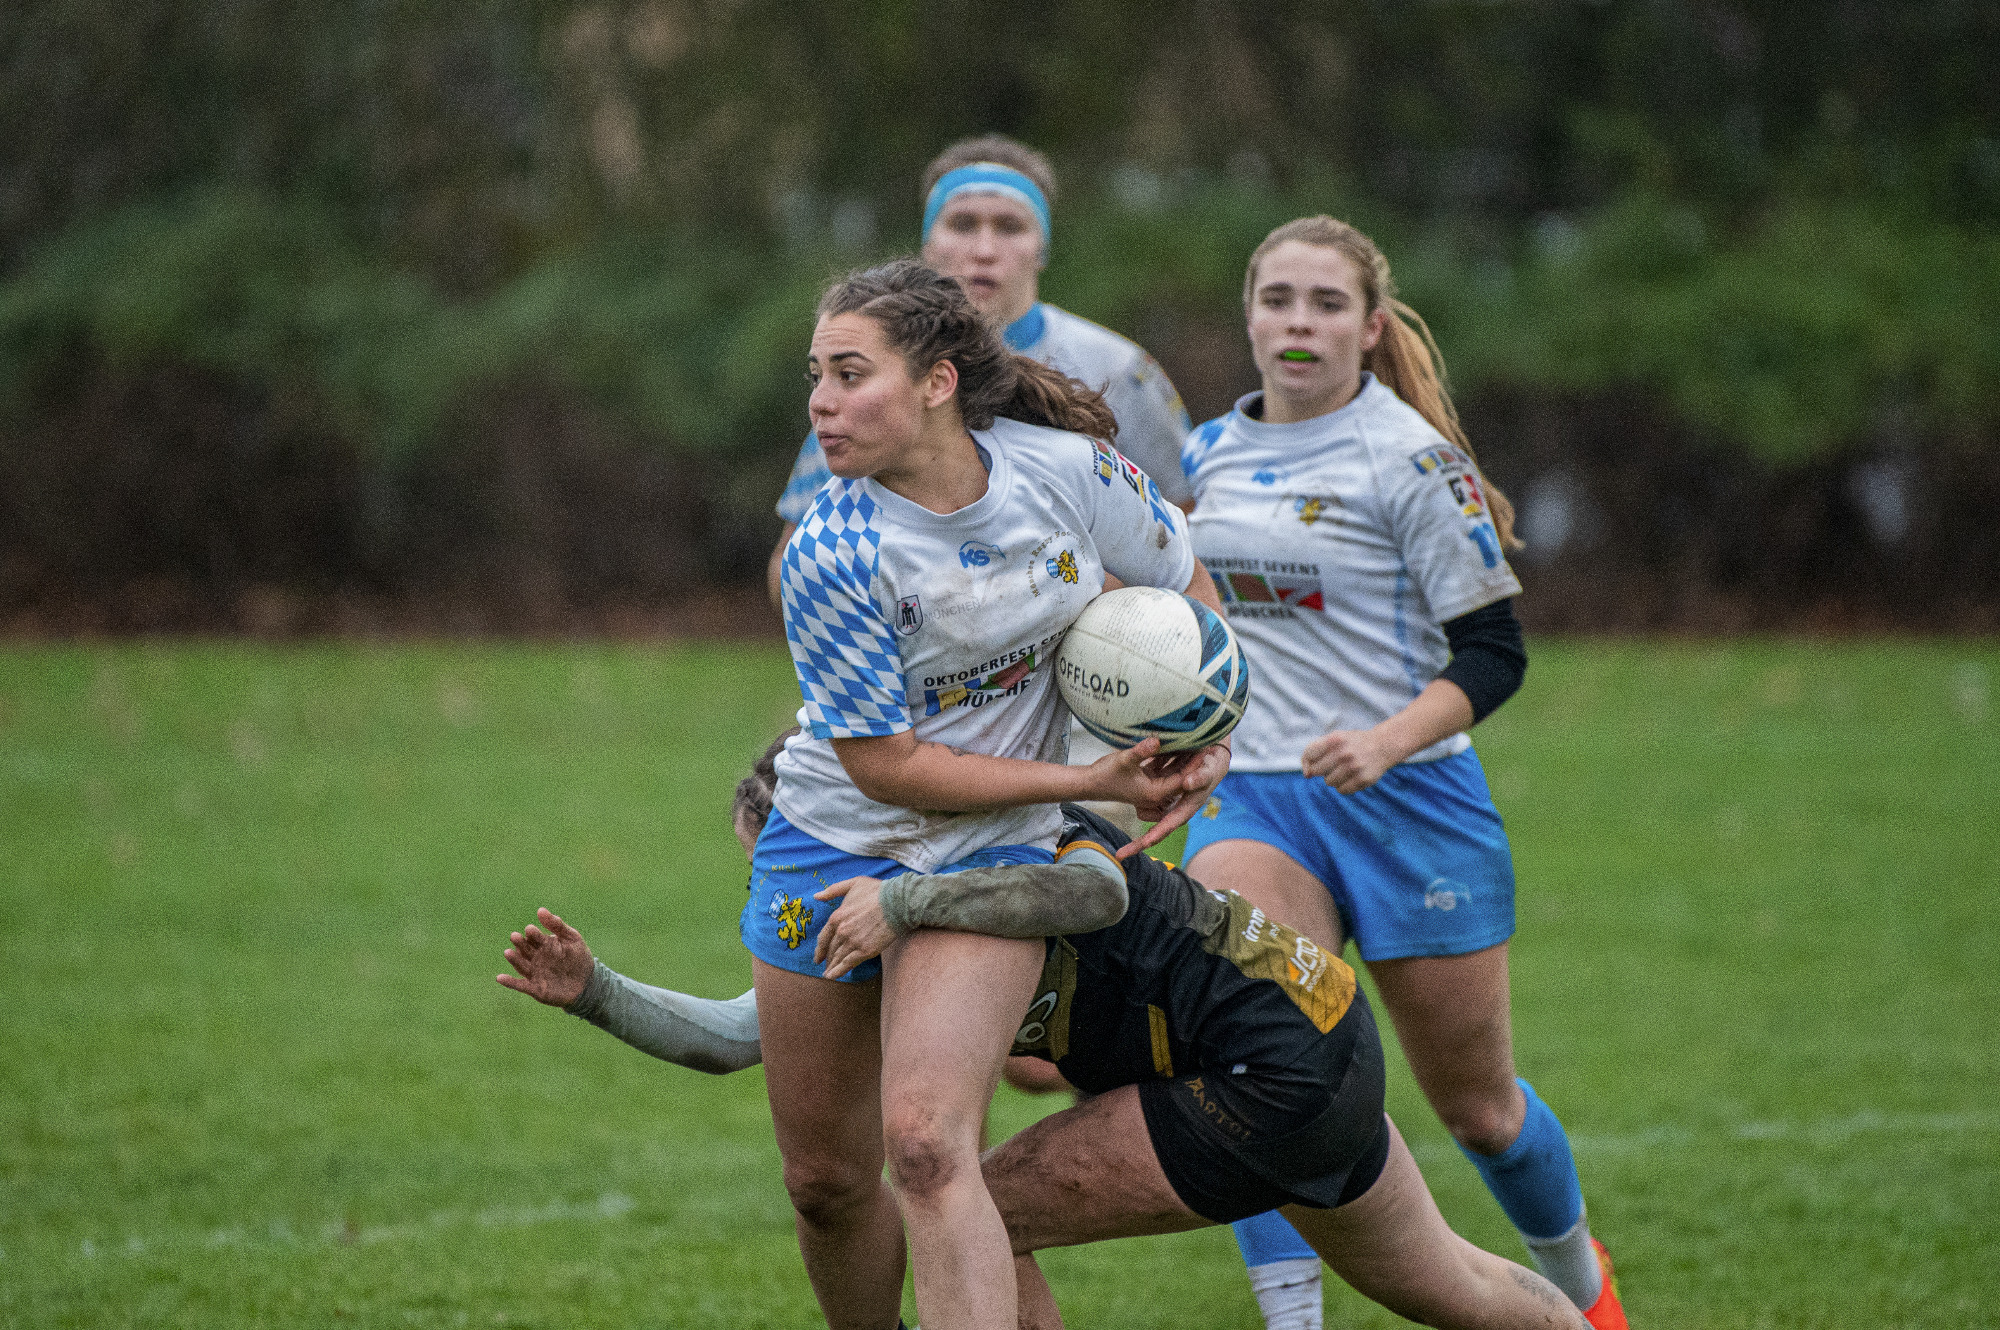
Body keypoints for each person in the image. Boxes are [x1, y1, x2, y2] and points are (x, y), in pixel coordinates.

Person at [500, 797, 1591, 1330]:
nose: (791, 906)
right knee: (1458, 1285)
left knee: (975, 1211)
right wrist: (597, 992)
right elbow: (744, 1035)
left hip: (1268, 1068)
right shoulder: (866, 917)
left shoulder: (996, 848)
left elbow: (1098, 885)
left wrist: (907, 904)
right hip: (1322, 1027)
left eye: (787, 865)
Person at [748, 256, 1229, 1330]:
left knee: (926, 1143)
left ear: (937, 382)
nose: (821, 402)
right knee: (824, 1182)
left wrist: (1209, 729)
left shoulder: (1069, 473)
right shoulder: (831, 549)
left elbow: (1185, 587)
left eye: (850, 374)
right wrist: (1087, 780)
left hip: (994, 842)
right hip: (831, 840)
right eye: (816, 375)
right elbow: (885, 766)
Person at [1173, 215, 1630, 1330]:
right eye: (1277, 299)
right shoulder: (1203, 452)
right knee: (1255, 1064)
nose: (1298, 322)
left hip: (1408, 802)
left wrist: (1385, 740)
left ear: (1370, 327)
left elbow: (1494, 652)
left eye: (1326, 303)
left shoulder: (1412, 460)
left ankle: (1586, 1297)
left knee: (1479, 1111)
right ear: (1248, 316)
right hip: (1257, 799)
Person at [767, 134, 1193, 610]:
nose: (985, 249)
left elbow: (1184, 535)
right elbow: (792, 565)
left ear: (1042, 248)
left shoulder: (1120, 369)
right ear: (927, 244)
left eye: (1010, 226)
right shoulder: (868, 381)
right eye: (963, 224)